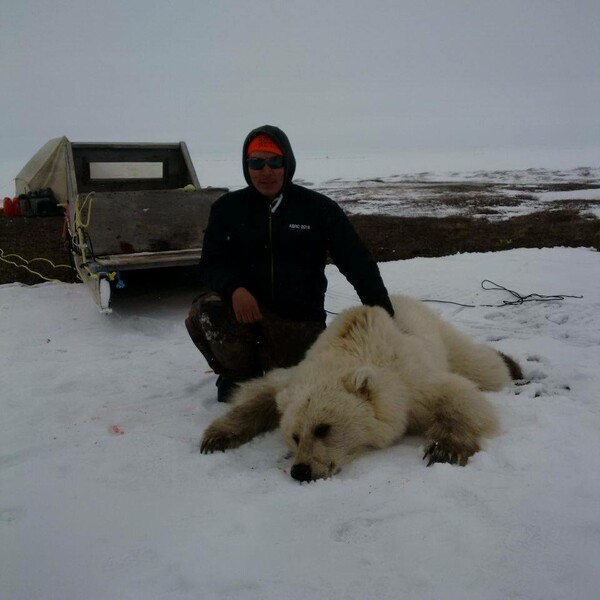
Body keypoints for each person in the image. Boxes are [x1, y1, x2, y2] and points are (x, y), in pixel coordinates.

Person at [185, 125, 394, 402]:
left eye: (275, 162)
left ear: (288, 163)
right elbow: (212, 263)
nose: (266, 171)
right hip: (249, 312)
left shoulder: (318, 209)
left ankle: (273, 367)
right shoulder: (227, 209)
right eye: (256, 163)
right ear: (247, 166)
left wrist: (385, 317)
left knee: (296, 385)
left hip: (299, 323)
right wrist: (235, 288)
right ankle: (239, 375)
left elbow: (358, 263)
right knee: (206, 310)